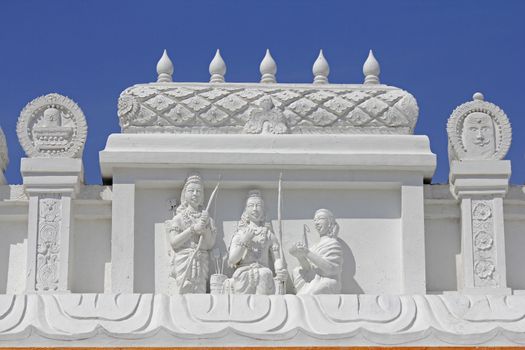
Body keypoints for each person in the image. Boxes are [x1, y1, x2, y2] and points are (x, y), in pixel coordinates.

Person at [226, 190, 287, 294]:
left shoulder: (269, 235)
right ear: (246, 210)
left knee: (265, 274)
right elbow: (232, 261)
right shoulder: (240, 234)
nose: (255, 209)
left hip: (263, 271)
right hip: (243, 272)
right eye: (251, 205)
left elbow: (277, 258)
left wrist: (280, 270)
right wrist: (244, 241)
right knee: (240, 276)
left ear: (263, 211)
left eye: (258, 205)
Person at [166, 174, 217, 293]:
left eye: (199, 191)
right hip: (184, 261)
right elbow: (174, 243)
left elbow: (209, 244)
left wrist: (205, 229)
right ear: (185, 194)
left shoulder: (207, 219)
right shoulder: (179, 218)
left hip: (201, 260)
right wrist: (193, 229)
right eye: (191, 190)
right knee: (185, 291)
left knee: (200, 292)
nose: (195, 194)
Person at [289, 209, 343, 295]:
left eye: (320, 218)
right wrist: (299, 256)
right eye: (315, 220)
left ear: (330, 222)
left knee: (306, 297)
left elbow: (331, 269)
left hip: (326, 282)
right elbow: (309, 269)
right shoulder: (314, 247)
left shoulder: (333, 243)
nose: (316, 223)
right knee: (297, 270)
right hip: (314, 281)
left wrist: (307, 253)